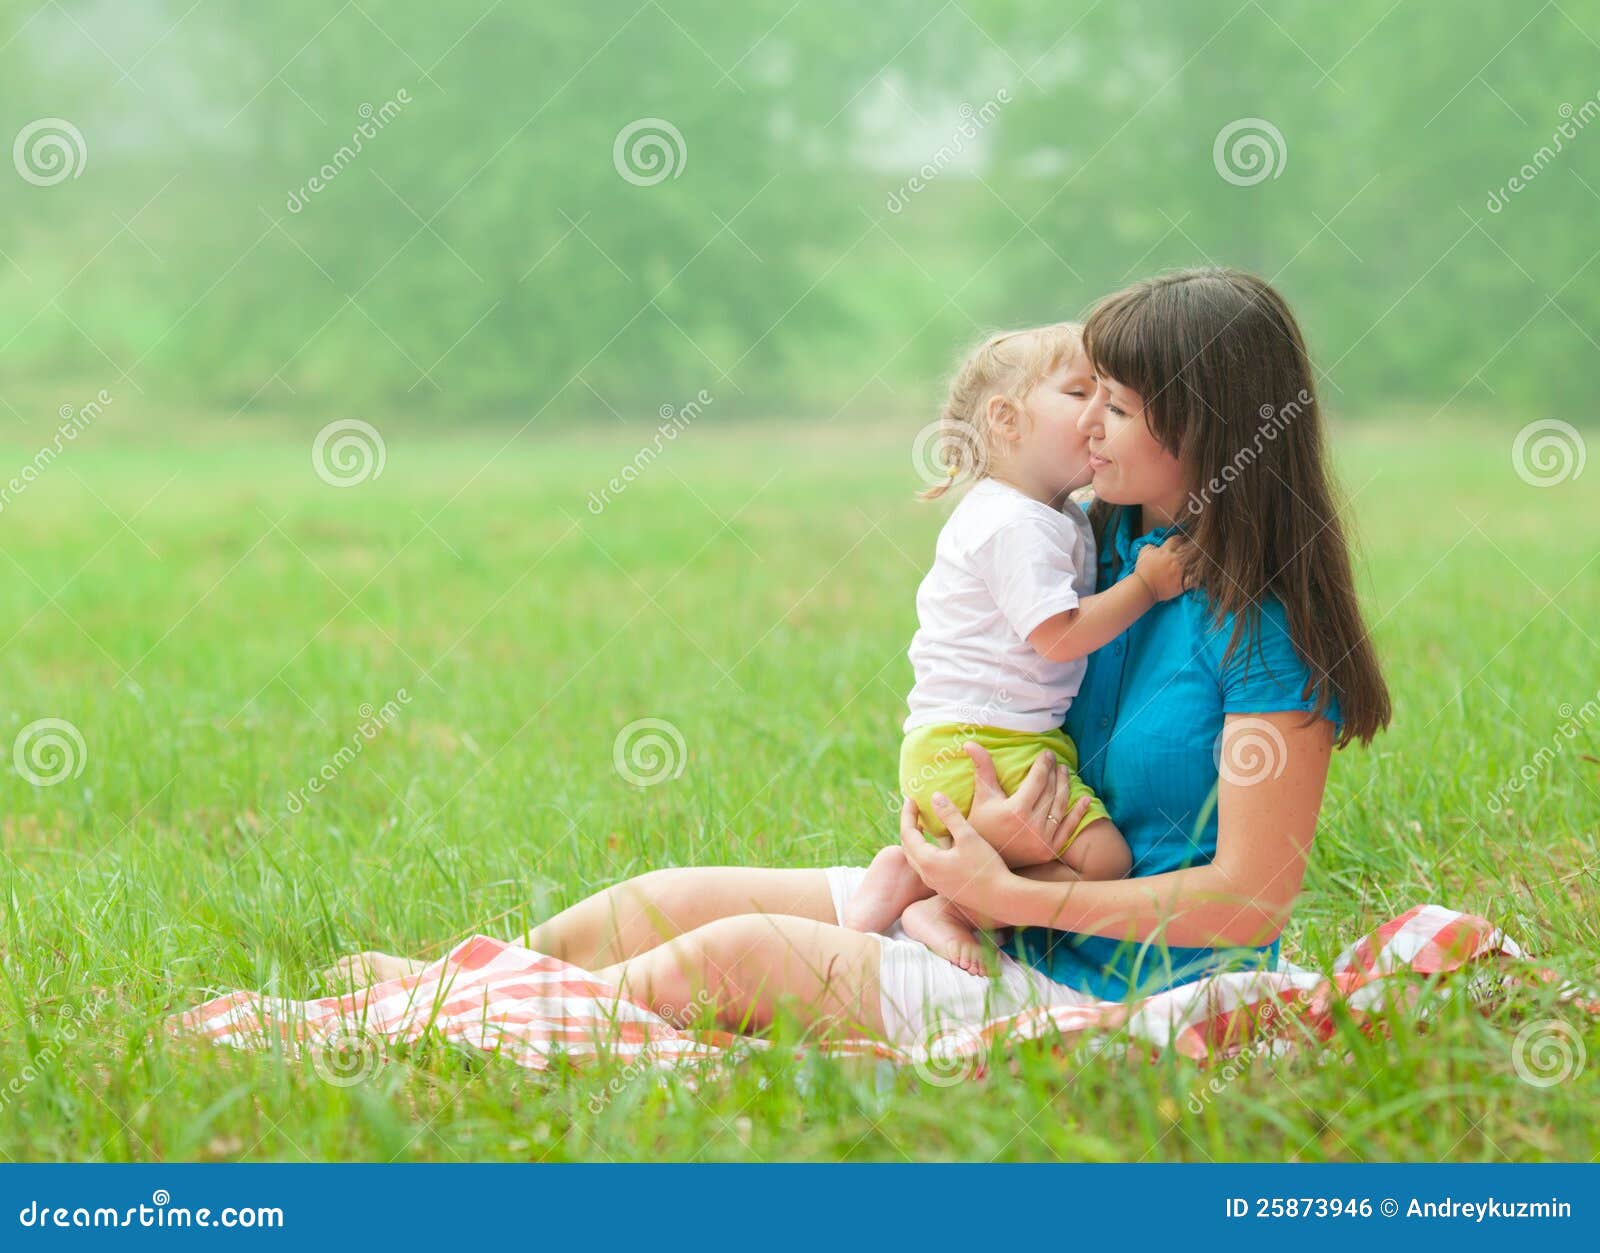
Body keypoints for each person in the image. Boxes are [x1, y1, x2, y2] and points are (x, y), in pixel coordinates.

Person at [339, 267, 1390, 1048]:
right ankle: (449, 980)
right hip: (1004, 906)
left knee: (739, 952)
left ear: (1202, 425)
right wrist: (976, 839)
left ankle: (466, 1023)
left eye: (1114, 404)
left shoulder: (1268, 638)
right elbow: (1000, 698)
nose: (1091, 426)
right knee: (675, 893)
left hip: (1117, 991)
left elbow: (1247, 900)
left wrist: (1018, 895)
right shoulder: (1108, 549)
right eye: (1091, 396)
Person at [841, 322, 1187, 974]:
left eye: (1111, 397)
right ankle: (950, 900)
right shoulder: (1013, 523)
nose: (1099, 414)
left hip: (994, 740)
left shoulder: (1053, 514)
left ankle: (920, 880)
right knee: (1107, 861)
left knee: (1075, 856)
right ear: (1005, 419)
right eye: (1081, 391)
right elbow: (1057, 635)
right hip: (983, 747)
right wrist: (1146, 584)